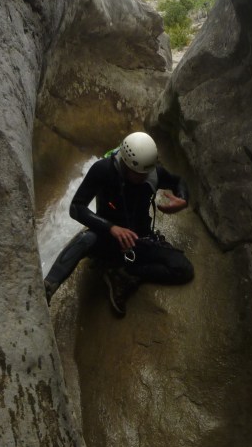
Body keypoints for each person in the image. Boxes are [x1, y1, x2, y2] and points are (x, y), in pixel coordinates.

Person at [44, 132, 194, 316]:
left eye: (146, 173)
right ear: (125, 163)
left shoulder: (152, 173)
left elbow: (178, 181)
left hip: (138, 240)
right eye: (139, 174)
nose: (144, 177)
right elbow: (76, 208)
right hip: (106, 237)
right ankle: (47, 288)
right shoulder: (103, 170)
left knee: (183, 269)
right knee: (85, 239)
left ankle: (126, 273)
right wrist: (111, 228)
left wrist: (182, 199)